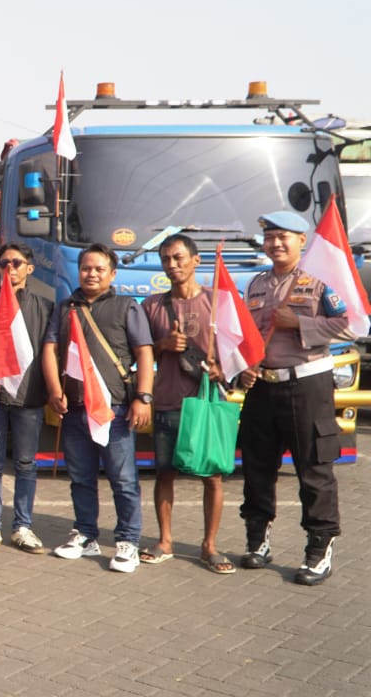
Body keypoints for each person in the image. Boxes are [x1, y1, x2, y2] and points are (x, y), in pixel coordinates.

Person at [237, 211, 348, 585]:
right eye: (270, 238)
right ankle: (257, 540)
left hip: (307, 385)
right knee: (256, 467)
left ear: (303, 240)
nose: (276, 244)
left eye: (284, 237)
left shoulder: (320, 281)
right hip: (263, 387)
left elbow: (348, 323)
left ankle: (318, 548)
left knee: (314, 469)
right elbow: (246, 335)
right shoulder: (255, 284)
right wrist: (245, 366)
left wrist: (298, 323)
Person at [43, 243, 154, 574]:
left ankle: (128, 541)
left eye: (99, 269)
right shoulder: (66, 307)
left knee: (122, 478)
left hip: (116, 409)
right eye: (86, 268)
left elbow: (145, 353)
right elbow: (50, 350)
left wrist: (143, 397)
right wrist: (54, 390)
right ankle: (86, 535)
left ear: (112, 274)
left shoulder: (126, 307)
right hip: (76, 408)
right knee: (80, 477)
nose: (91, 274)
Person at [138, 234, 233, 573]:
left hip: (207, 403)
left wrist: (226, 370)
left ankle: (209, 546)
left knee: (213, 476)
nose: (172, 265)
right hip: (166, 402)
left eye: (178, 258)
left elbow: (237, 350)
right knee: (165, 473)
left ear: (196, 261)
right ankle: (165, 540)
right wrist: (163, 344)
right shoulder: (151, 306)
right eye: (166, 259)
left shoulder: (220, 301)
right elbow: (141, 355)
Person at [0, 242, 53, 555]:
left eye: (16, 263)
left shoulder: (45, 307)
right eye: (4, 263)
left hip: (28, 397)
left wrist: (56, 392)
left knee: (26, 464)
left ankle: (22, 526)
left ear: (29, 268)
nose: (10, 268)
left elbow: (50, 353)